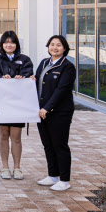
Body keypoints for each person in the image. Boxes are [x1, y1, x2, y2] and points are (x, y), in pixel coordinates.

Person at [0, 30, 33, 180]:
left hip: (17, 104)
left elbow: (29, 77)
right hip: (1, 103)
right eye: (6, 42)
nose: (9, 44)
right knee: (3, 135)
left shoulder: (25, 59)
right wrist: (2, 78)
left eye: (12, 42)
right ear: (2, 44)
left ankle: (17, 168)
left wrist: (22, 77)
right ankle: (5, 167)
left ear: (16, 44)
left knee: (16, 136)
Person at [35, 35, 77, 192]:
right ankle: (53, 175)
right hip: (42, 112)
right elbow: (36, 82)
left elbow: (61, 90)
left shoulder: (67, 67)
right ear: (48, 47)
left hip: (59, 112)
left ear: (64, 48)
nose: (55, 47)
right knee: (48, 145)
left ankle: (64, 180)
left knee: (60, 145)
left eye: (58, 45)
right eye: (52, 44)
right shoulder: (44, 63)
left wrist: (47, 107)